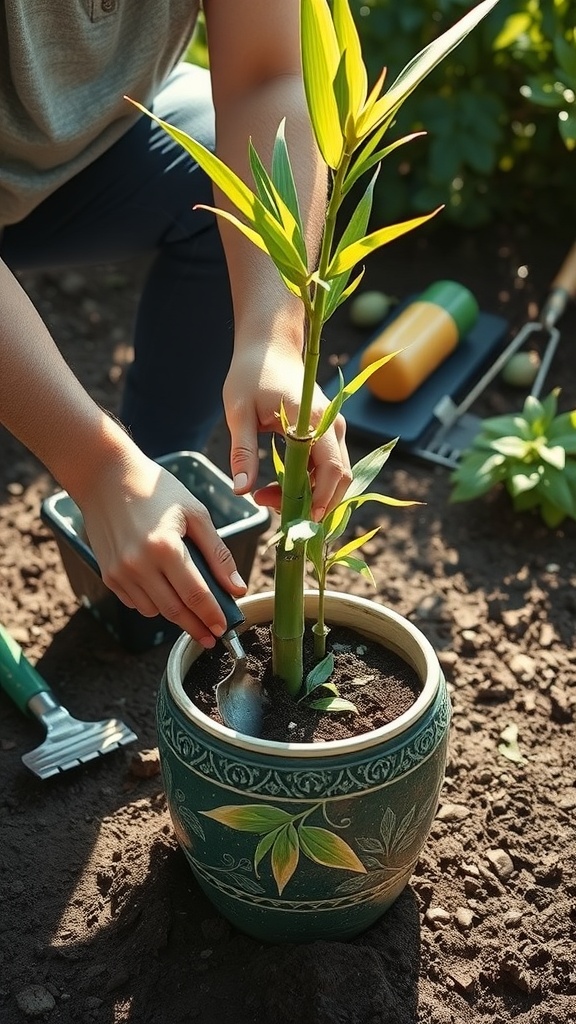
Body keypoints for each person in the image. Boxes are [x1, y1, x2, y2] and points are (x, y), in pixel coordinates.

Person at [0, 1, 351, 647]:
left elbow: (268, 77)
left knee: (213, 167)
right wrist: (96, 467)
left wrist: (275, 334)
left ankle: (154, 541)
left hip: (86, 152)